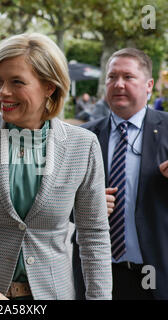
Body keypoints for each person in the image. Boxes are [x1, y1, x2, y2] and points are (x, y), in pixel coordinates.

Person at [0, 33, 112, 300]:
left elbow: (93, 235)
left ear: (49, 86)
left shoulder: (83, 145)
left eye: (17, 82)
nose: (3, 92)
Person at [72, 48, 168, 300]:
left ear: (149, 85)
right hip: (96, 275)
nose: (118, 84)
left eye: (128, 77)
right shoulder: (82, 137)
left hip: (157, 275)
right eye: (111, 77)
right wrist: (82, 205)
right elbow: (53, 203)